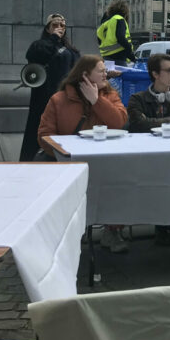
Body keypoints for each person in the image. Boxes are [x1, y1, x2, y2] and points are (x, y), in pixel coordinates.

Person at [38, 55, 128, 251]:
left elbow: (119, 121)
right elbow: (45, 135)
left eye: (105, 70)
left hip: (105, 161)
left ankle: (112, 231)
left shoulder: (110, 95)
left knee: (118, 183)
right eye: (100, 70)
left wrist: (97, 101)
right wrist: (65, 154)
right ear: (85, 75)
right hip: (69, 163)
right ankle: (67, 233)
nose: (106, 73)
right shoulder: (59, 100)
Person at [127, 53, 170, 246]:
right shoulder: (137, 99)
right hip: (148, 157)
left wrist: (155, 124)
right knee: (155, 188)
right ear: (155, 74)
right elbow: (137, 124)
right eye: (169, 70)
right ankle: (161, 228)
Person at [19, 13, 80, 161]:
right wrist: (53, 38)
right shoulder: (40, 44)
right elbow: (34, 54)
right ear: (48, 28)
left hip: (64, 97)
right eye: (55, 25)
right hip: (44, 97)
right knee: (39, 131)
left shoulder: (71, 50)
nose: (59, 28)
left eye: (62, 26)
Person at [96, 0, 136, 66]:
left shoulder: (105, 23)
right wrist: (131, 54)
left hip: (106, 59)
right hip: (119, 59)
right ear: (124, 10)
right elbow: (121, 38)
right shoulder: (119, 19)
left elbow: (99, 40)